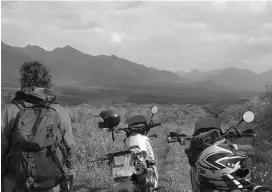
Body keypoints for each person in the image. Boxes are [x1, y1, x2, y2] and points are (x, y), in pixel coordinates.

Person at [1, 61, 77, 192]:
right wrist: (70, 172)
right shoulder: (59, 111)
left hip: (14, 184)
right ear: (47, 82)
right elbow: (70, 146)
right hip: (51, 185)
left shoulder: (9, 111)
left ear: (23, 82)